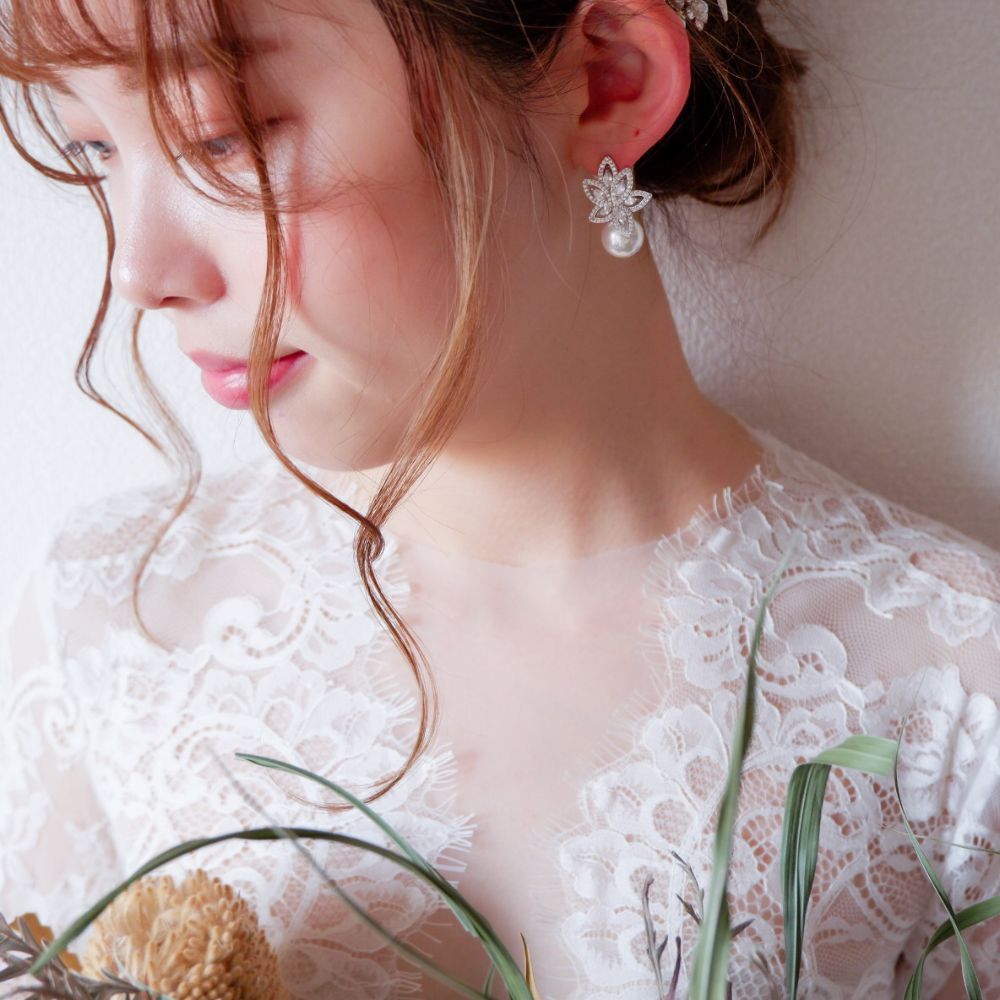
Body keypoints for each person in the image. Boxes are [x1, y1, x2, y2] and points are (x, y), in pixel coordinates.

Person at [1, 0, 998, 997]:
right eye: (94, 149)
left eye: (224, 135)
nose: (139, 272)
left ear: (608, 80)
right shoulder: (109, 626)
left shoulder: (950, 691)